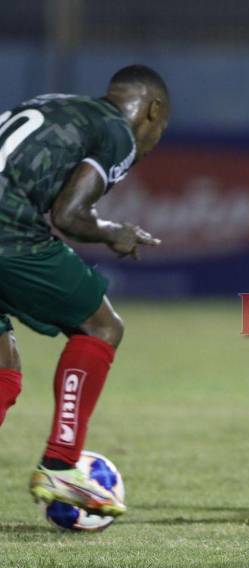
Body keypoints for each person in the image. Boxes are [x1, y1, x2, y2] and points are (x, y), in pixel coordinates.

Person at [0, 64, 170, 517]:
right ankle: (61, 463)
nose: (156, 142)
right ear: (152, 111)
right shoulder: (117, 132)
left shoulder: (53, 103)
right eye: (162, 127)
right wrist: (115, 232)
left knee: (3, 364)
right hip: (7, 233)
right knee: (101, 326)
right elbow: (70, 215)